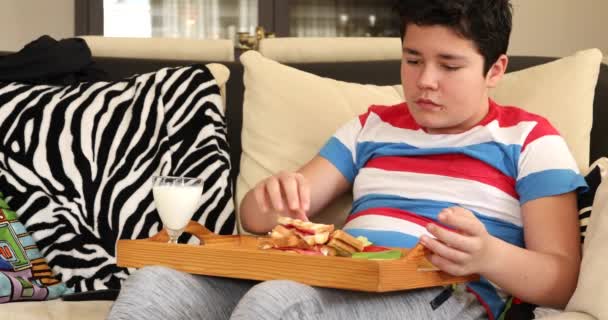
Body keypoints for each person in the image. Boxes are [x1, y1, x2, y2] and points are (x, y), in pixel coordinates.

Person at [108, 1, 585, 319]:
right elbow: (257, 218)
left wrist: (489, 255)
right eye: (413, 59)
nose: (425, 81)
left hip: (444, 293)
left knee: (279, 303)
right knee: (154, 284)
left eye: (450, 65)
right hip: (337, 274)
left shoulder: (529, 139)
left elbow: (562, 279)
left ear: (495, 69)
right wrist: (273, 199)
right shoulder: (372, 126)